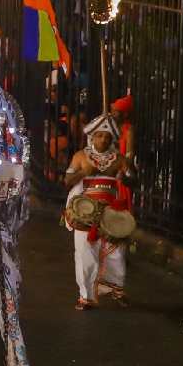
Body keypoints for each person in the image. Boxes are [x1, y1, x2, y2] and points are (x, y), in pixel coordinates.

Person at [65, 113, 131, 310]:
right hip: (84, 211)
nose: (103, 139)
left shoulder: (118, 159)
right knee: (85, 254)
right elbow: (67, 181)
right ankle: (86, 297)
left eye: (107, 137)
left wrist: (127, 172)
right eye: (100, 135)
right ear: (92, 136)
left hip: (111, 212)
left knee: (116, 254)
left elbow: (133, 179)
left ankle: (115, 289)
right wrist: (83, 173)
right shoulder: (80, 157)